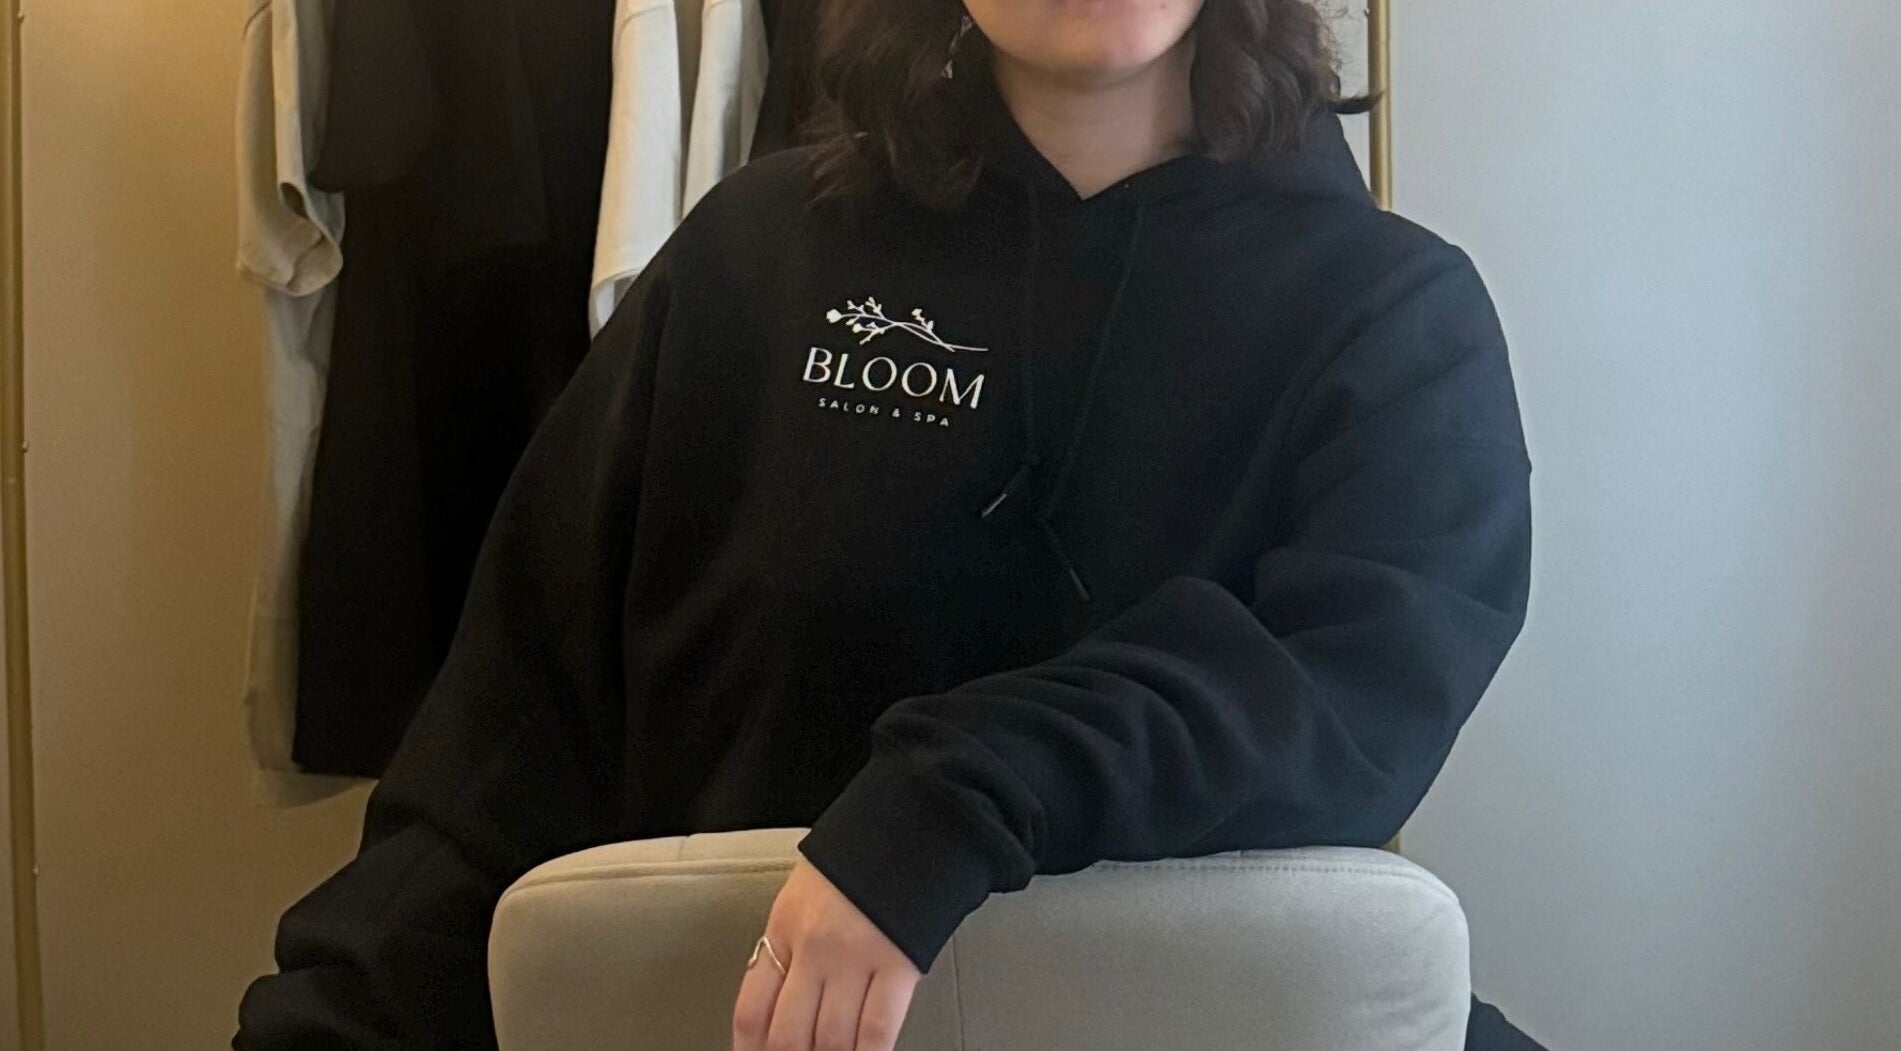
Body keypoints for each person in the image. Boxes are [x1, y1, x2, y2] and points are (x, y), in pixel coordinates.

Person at [235, 2, 1549, 1049]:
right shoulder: (749, 259)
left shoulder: (1395, 317)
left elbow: (1349, 688)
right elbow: (512, 735)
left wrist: (957, 796)